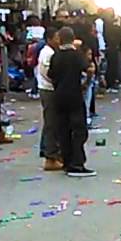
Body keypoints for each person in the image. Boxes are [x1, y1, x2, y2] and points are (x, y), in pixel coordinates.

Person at [47, 27, 93, 177]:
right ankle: (77, 163)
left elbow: (50, 75)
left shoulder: (56, 56)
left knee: (63, 129)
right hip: (74, 95)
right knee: (79, 130)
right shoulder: (77, 55)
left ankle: (67, 161)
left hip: (59, 96)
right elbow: (88, 68)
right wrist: (86, 83)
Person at [35, 25, 63, 171]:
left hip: (50, 88)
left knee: (53, 122)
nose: (59, 40)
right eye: (57, 38)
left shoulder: (52, 51)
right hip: (48, 89)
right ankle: (50, 155)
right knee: (51, 122)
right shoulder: (47, 53)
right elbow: (47, 72)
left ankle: (50, 151)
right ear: (49, 39)